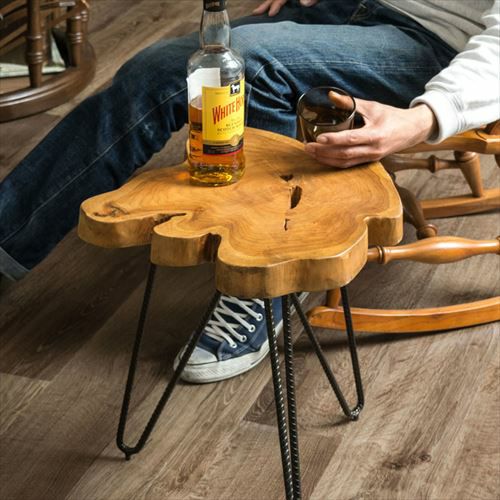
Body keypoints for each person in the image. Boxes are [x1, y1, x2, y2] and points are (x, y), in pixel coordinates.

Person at [1, 0, 498, 383]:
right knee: (162, 67)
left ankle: (264, 283)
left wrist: (423, 118)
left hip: (443, 43)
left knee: (244, 67)